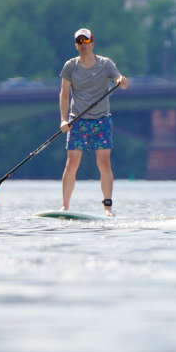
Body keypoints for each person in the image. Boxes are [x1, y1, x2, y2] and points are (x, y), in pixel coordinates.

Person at [57, 28, 128, 216]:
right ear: (76, 46)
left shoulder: (105, 64)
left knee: (104, 163)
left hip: (101, 119)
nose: (83, 45)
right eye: (79, 42)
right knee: (72, 163)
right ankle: (65, 206)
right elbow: (64, 95)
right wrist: (64, 120)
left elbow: (119, 80)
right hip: (77, 120)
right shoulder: (70, 67)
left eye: (86, 41)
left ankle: (107, 208)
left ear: (92, 44)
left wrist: (121, 81)